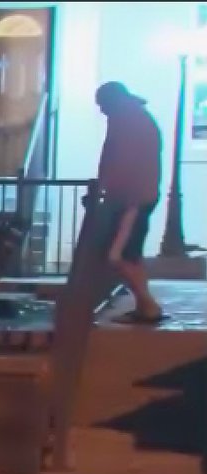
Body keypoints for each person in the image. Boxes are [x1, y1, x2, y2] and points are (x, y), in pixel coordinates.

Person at [94, 81, 165, 324]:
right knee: (131, 255)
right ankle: (144, 307)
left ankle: (149, 305)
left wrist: (107, 189)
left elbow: (120, 161)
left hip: (131, 200)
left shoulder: (126, 121)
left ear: (111, 101)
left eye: (102, 105)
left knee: (117, 255)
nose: (101, 111)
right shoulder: (135, 116)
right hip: (139, 196)